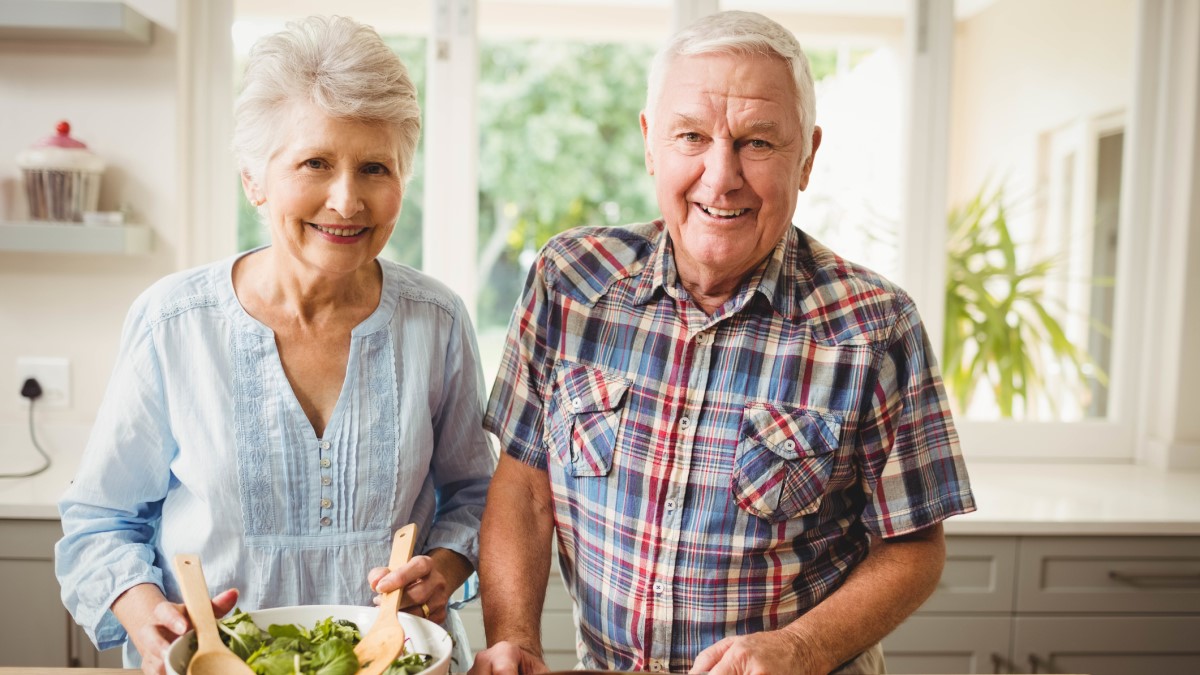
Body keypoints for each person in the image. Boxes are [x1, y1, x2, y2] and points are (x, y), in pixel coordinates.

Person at [470, 10, 975, 675]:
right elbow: (524, 490)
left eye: (757, 143)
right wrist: (517, 641)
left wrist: (802, 647)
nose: (720, 175)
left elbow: (914, 548)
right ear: (651, 142)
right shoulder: (570, 280)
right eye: (692, 136)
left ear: (808, 156)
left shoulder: (876, 327)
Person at [55, 15, 495, 674]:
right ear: (254, 179)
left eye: (375, 166)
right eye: (315, 162)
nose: (346, 200)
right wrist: (145, 610)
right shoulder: (173, 323)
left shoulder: (437, 321)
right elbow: (101, 521)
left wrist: (446, 568)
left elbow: (475, 496)